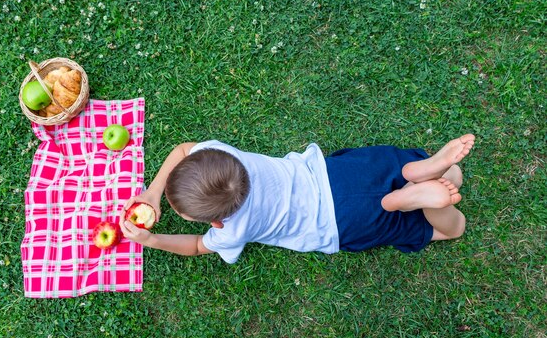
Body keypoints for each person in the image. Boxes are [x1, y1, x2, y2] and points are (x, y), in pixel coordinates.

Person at [119, 134, 476, 264]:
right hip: (338, 173)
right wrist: (153, 191)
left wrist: (152, 239)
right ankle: (422, 172)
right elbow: (183, 149)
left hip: (342, 221)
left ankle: (415, 200)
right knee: (453, 177)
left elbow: (198, 246)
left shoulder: (230, 230)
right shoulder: (224, 155)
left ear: (215, 221)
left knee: (451, 228)